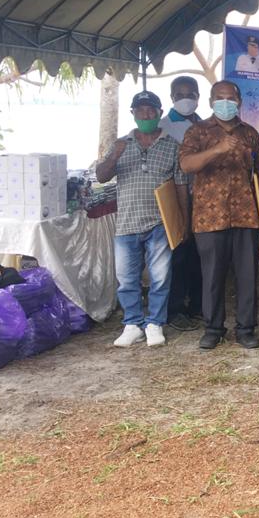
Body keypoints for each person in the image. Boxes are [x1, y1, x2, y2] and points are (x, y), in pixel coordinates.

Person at [179, 81, 259, 350]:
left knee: (247, 275)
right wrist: (216, 150)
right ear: (211, 101)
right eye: (220, 98)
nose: (226, 102)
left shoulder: (250, 134)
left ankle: (246, 328)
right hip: (209, 217)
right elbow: (186, 165)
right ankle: (213, 328)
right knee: (212, 276)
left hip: (246, 215)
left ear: (239, 102)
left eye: (231, 98)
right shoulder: (197, 131)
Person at [96, 91, 188, 348]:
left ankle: (155, 323)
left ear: (160, 113)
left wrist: (183, 221)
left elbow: (181, 186)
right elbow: (101, 176)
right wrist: (114, 156)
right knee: (127, 278)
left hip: (160, 222)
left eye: (151, 110)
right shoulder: (120, 144)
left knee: (160, 277)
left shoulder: (172, 146)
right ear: (133, 114)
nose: (146, 115)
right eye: (140, 110)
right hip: (127, 223)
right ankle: (132, 324)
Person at [158, 76, 203, 331]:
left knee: (199, 256)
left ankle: (197, 305)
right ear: (172, 97)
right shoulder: (163, 127)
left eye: (191, 94)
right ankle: (175, 309)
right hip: (175, 201)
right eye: (180, 94)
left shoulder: (205, 124)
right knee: (177, 256)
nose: (186, 99)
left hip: (202, 200)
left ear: (198, 97)